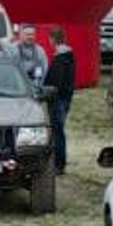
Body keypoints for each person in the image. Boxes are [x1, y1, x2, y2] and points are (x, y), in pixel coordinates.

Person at [42, 26, 76, 175]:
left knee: (57, 132)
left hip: (58, 100)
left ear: (53, 39)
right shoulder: (68, 55)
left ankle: (58, 165)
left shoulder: (60, 58)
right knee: (58, 131)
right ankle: (59, 163)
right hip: (65, 98)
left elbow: (57, 82)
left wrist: (47, 91)